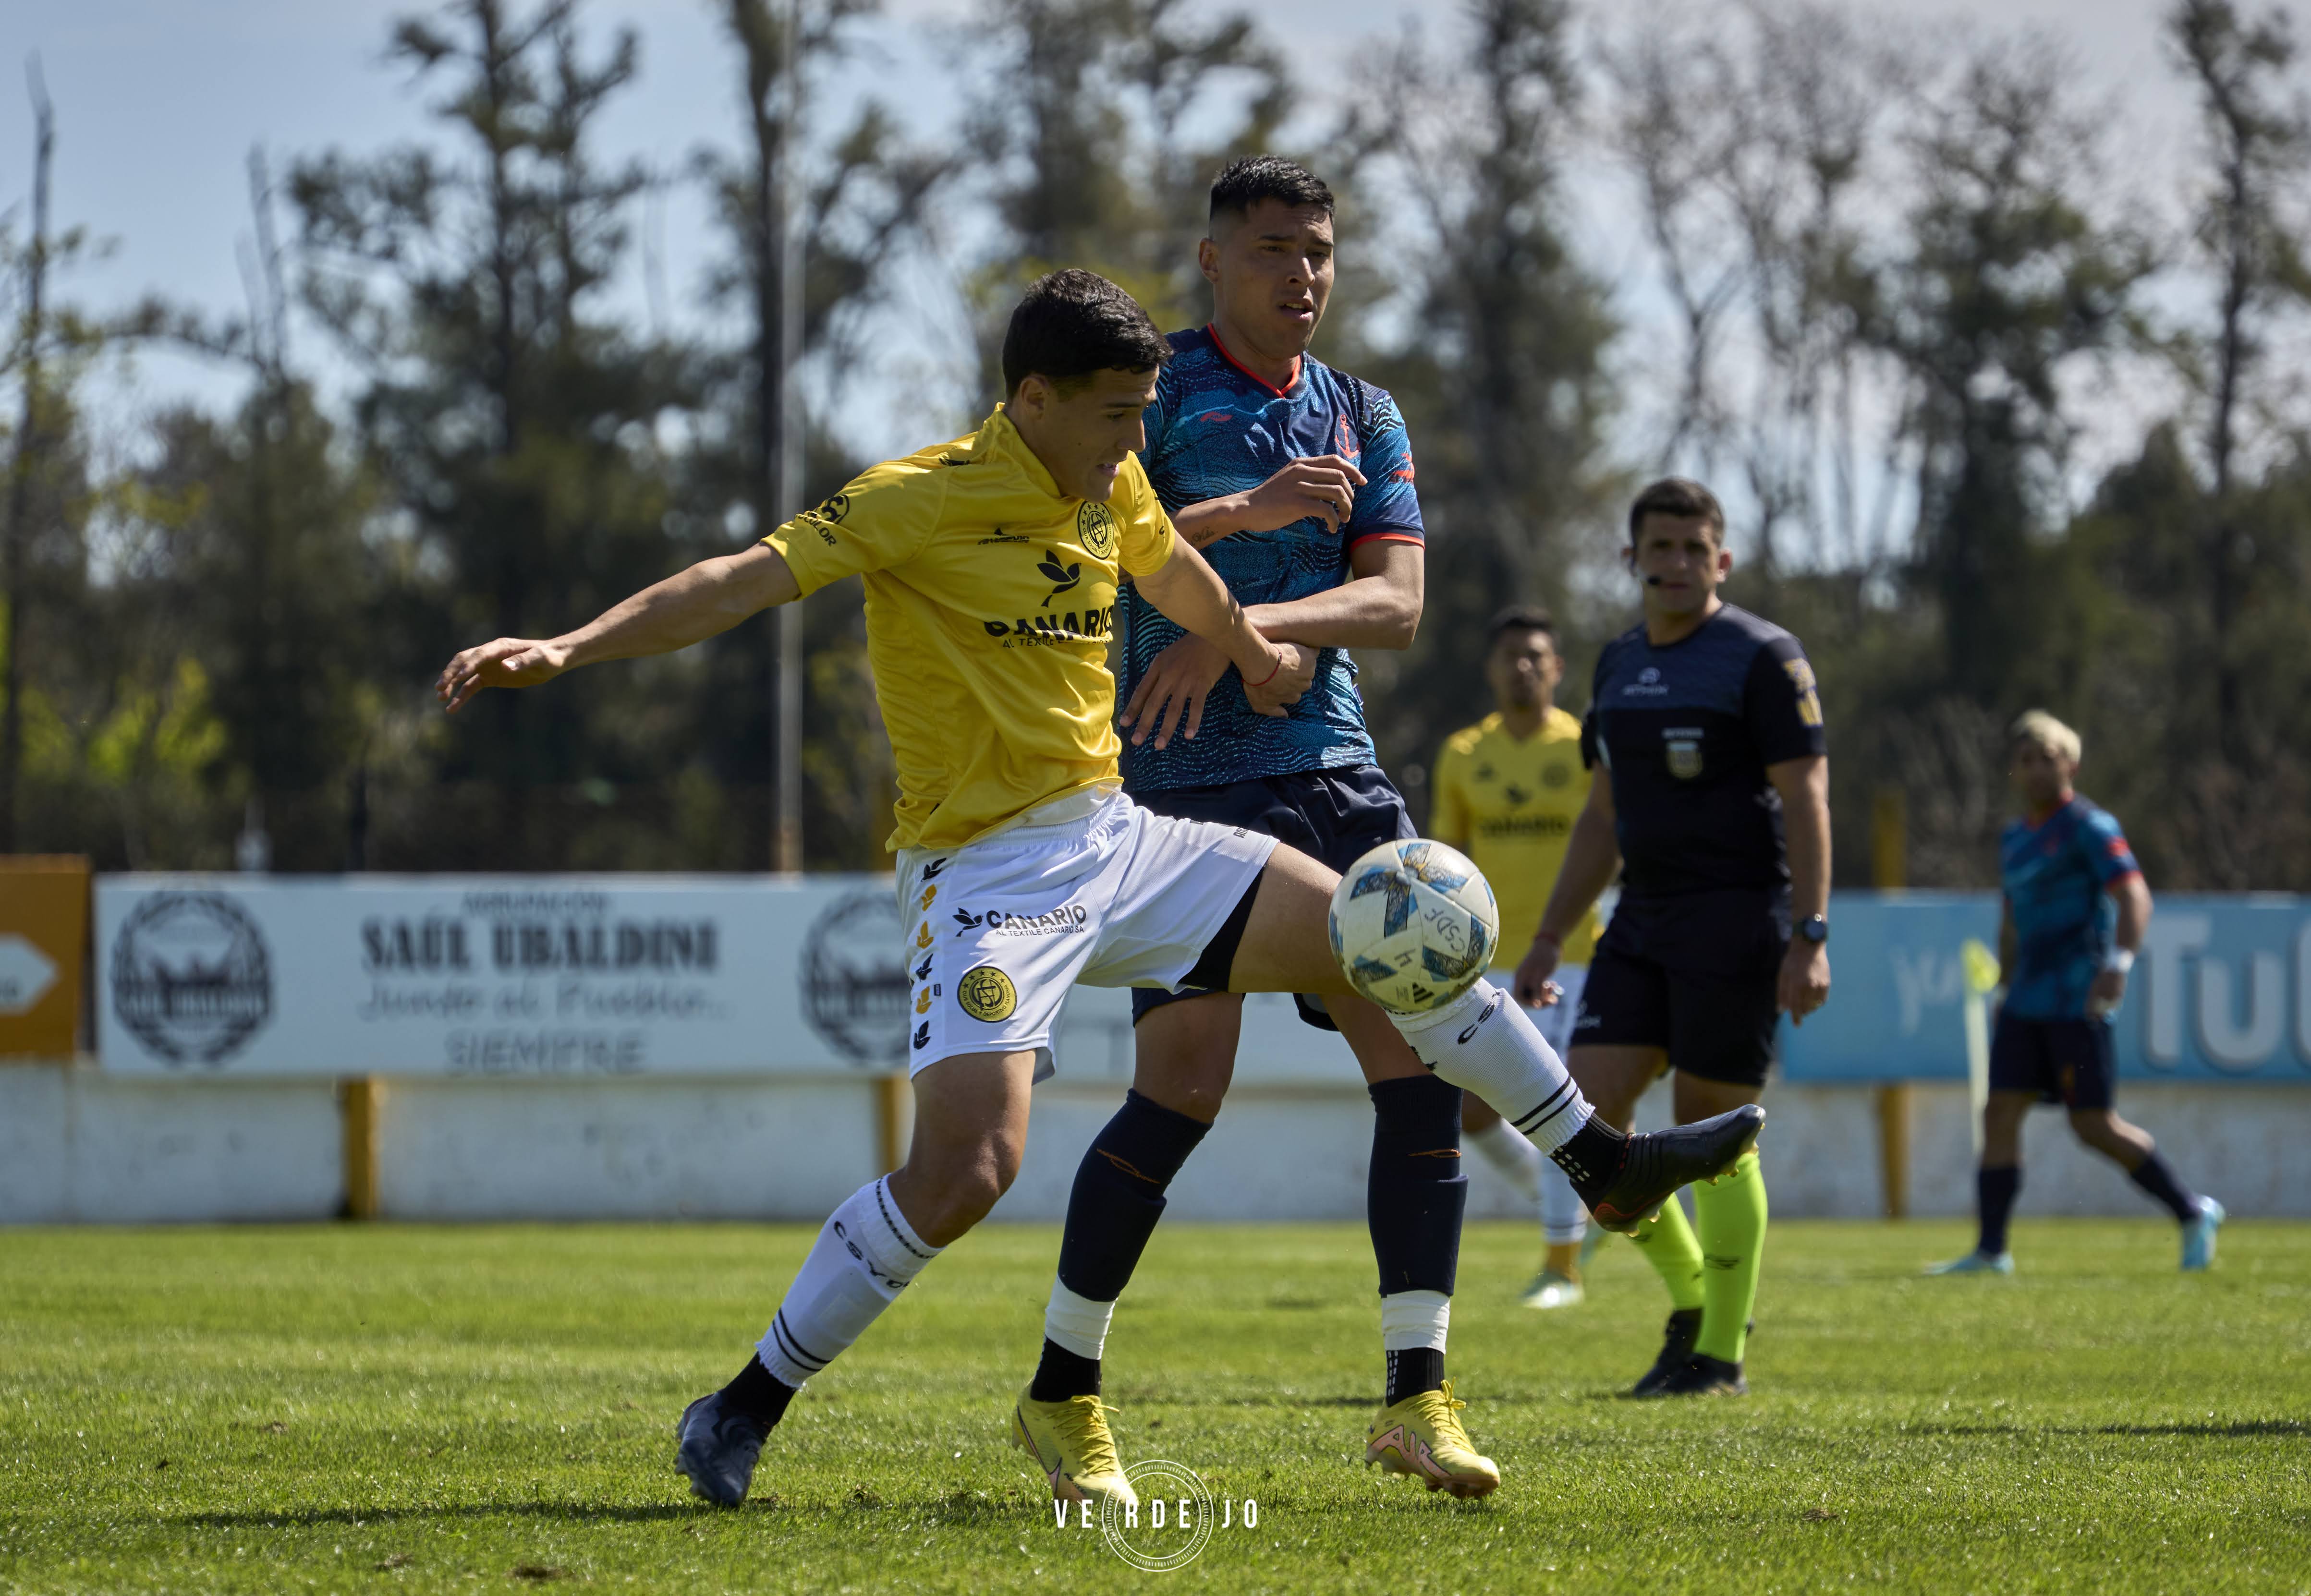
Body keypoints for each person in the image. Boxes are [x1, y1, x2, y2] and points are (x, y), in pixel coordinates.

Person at [435, 270, 1763, 1511]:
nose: (1136, 439)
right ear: (1033, 399)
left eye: (1142, 412)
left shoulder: (1107, 479)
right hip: (985, 876)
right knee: (968, 1170)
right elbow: (737, 580)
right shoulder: (918, 497)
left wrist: (1247, 647)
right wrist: (568, 646)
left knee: (1388, 928)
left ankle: (1599, 1161)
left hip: (1120, 837)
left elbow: (1170, 567)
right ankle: (742, 1404)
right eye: (1117, 413)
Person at [1014, 156, 1497, 1499]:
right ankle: (1061, 1389)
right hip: (1181, 777)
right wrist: (1249, 525)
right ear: (1213, 260)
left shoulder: (1364, 409)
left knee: (1419, 1066)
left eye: (1319, 250)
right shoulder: (1153, 389)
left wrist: (1239, 630)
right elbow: (1089, 549)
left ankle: (1418, 1398)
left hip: (1334, 765)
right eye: (1275, 248)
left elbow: (1395, 604)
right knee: (1182, 1086)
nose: (1303, 274)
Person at [1514, 477, 1830, 1400]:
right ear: (1632, 558)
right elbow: (1602, 813)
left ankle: (1719, 1354)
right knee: (1586, 1123)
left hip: (1736, 917)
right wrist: (1548, 934)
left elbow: (1807, 796)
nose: (1679, 562)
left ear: (1721, 560)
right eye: (1661, 546)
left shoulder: (1763, 656)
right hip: (1639, 918)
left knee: (1712, 1129)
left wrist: (1809, 933)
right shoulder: (1616, 663)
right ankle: (1695, 1303)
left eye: (1696, 548)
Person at [1926, 711, 2224, 1277]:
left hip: (2076, 998)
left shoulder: (2090, 826)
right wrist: (2005, 985)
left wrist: (2119, 964)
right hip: (2025, 1001)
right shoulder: (2014, 838)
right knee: (1999, 1112)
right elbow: (2011, 920)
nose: (2037, 769)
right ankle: (1991, 1252)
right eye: (2026, 760)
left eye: (2048, 758)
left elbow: (2134, 897)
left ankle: (2193, 1211)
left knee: (2093, 1125)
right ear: (2015, 770)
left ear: (2072, 764)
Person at [1432, 605, 1606, 1309]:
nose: (1523, 667)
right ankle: (1579, 1200)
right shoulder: (1463, 753)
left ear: (1558, 667)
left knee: (1556, 1105)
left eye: (1536, 655)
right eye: (1511, 656)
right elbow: (1447, 862)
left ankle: (1562, 1267)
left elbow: (1611, 840)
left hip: (1572, 959)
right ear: (1492, 669)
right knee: (1471, 1109)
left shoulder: (1585, 747)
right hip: (1485, 962)